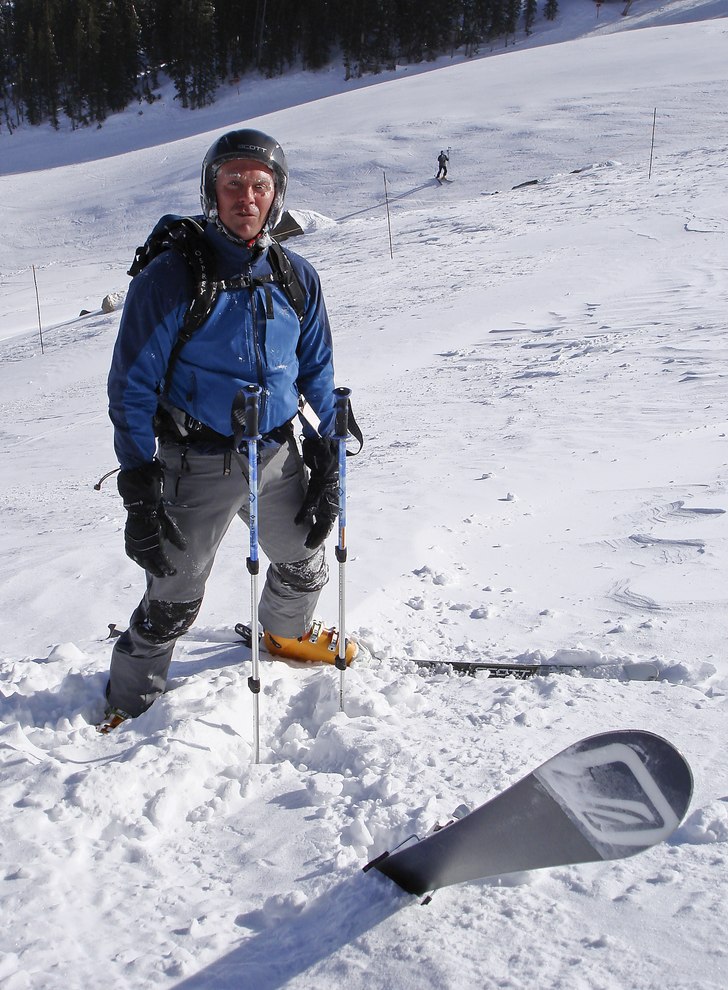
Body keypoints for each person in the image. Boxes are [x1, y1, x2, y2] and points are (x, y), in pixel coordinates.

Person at [102, 128, 356, 730]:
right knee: (173, 594)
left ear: (277, 196)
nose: (247, 197)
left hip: (276, 453)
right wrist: (139, 484)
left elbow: (316, 367)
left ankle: (286, 638)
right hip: (196, 462)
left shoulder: (297, 277)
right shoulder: (171, 277)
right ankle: (130, 698)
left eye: (260, 186)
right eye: (233, 183)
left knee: (304, 561)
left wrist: (324, 449)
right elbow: (131, 387)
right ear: (211, 193)